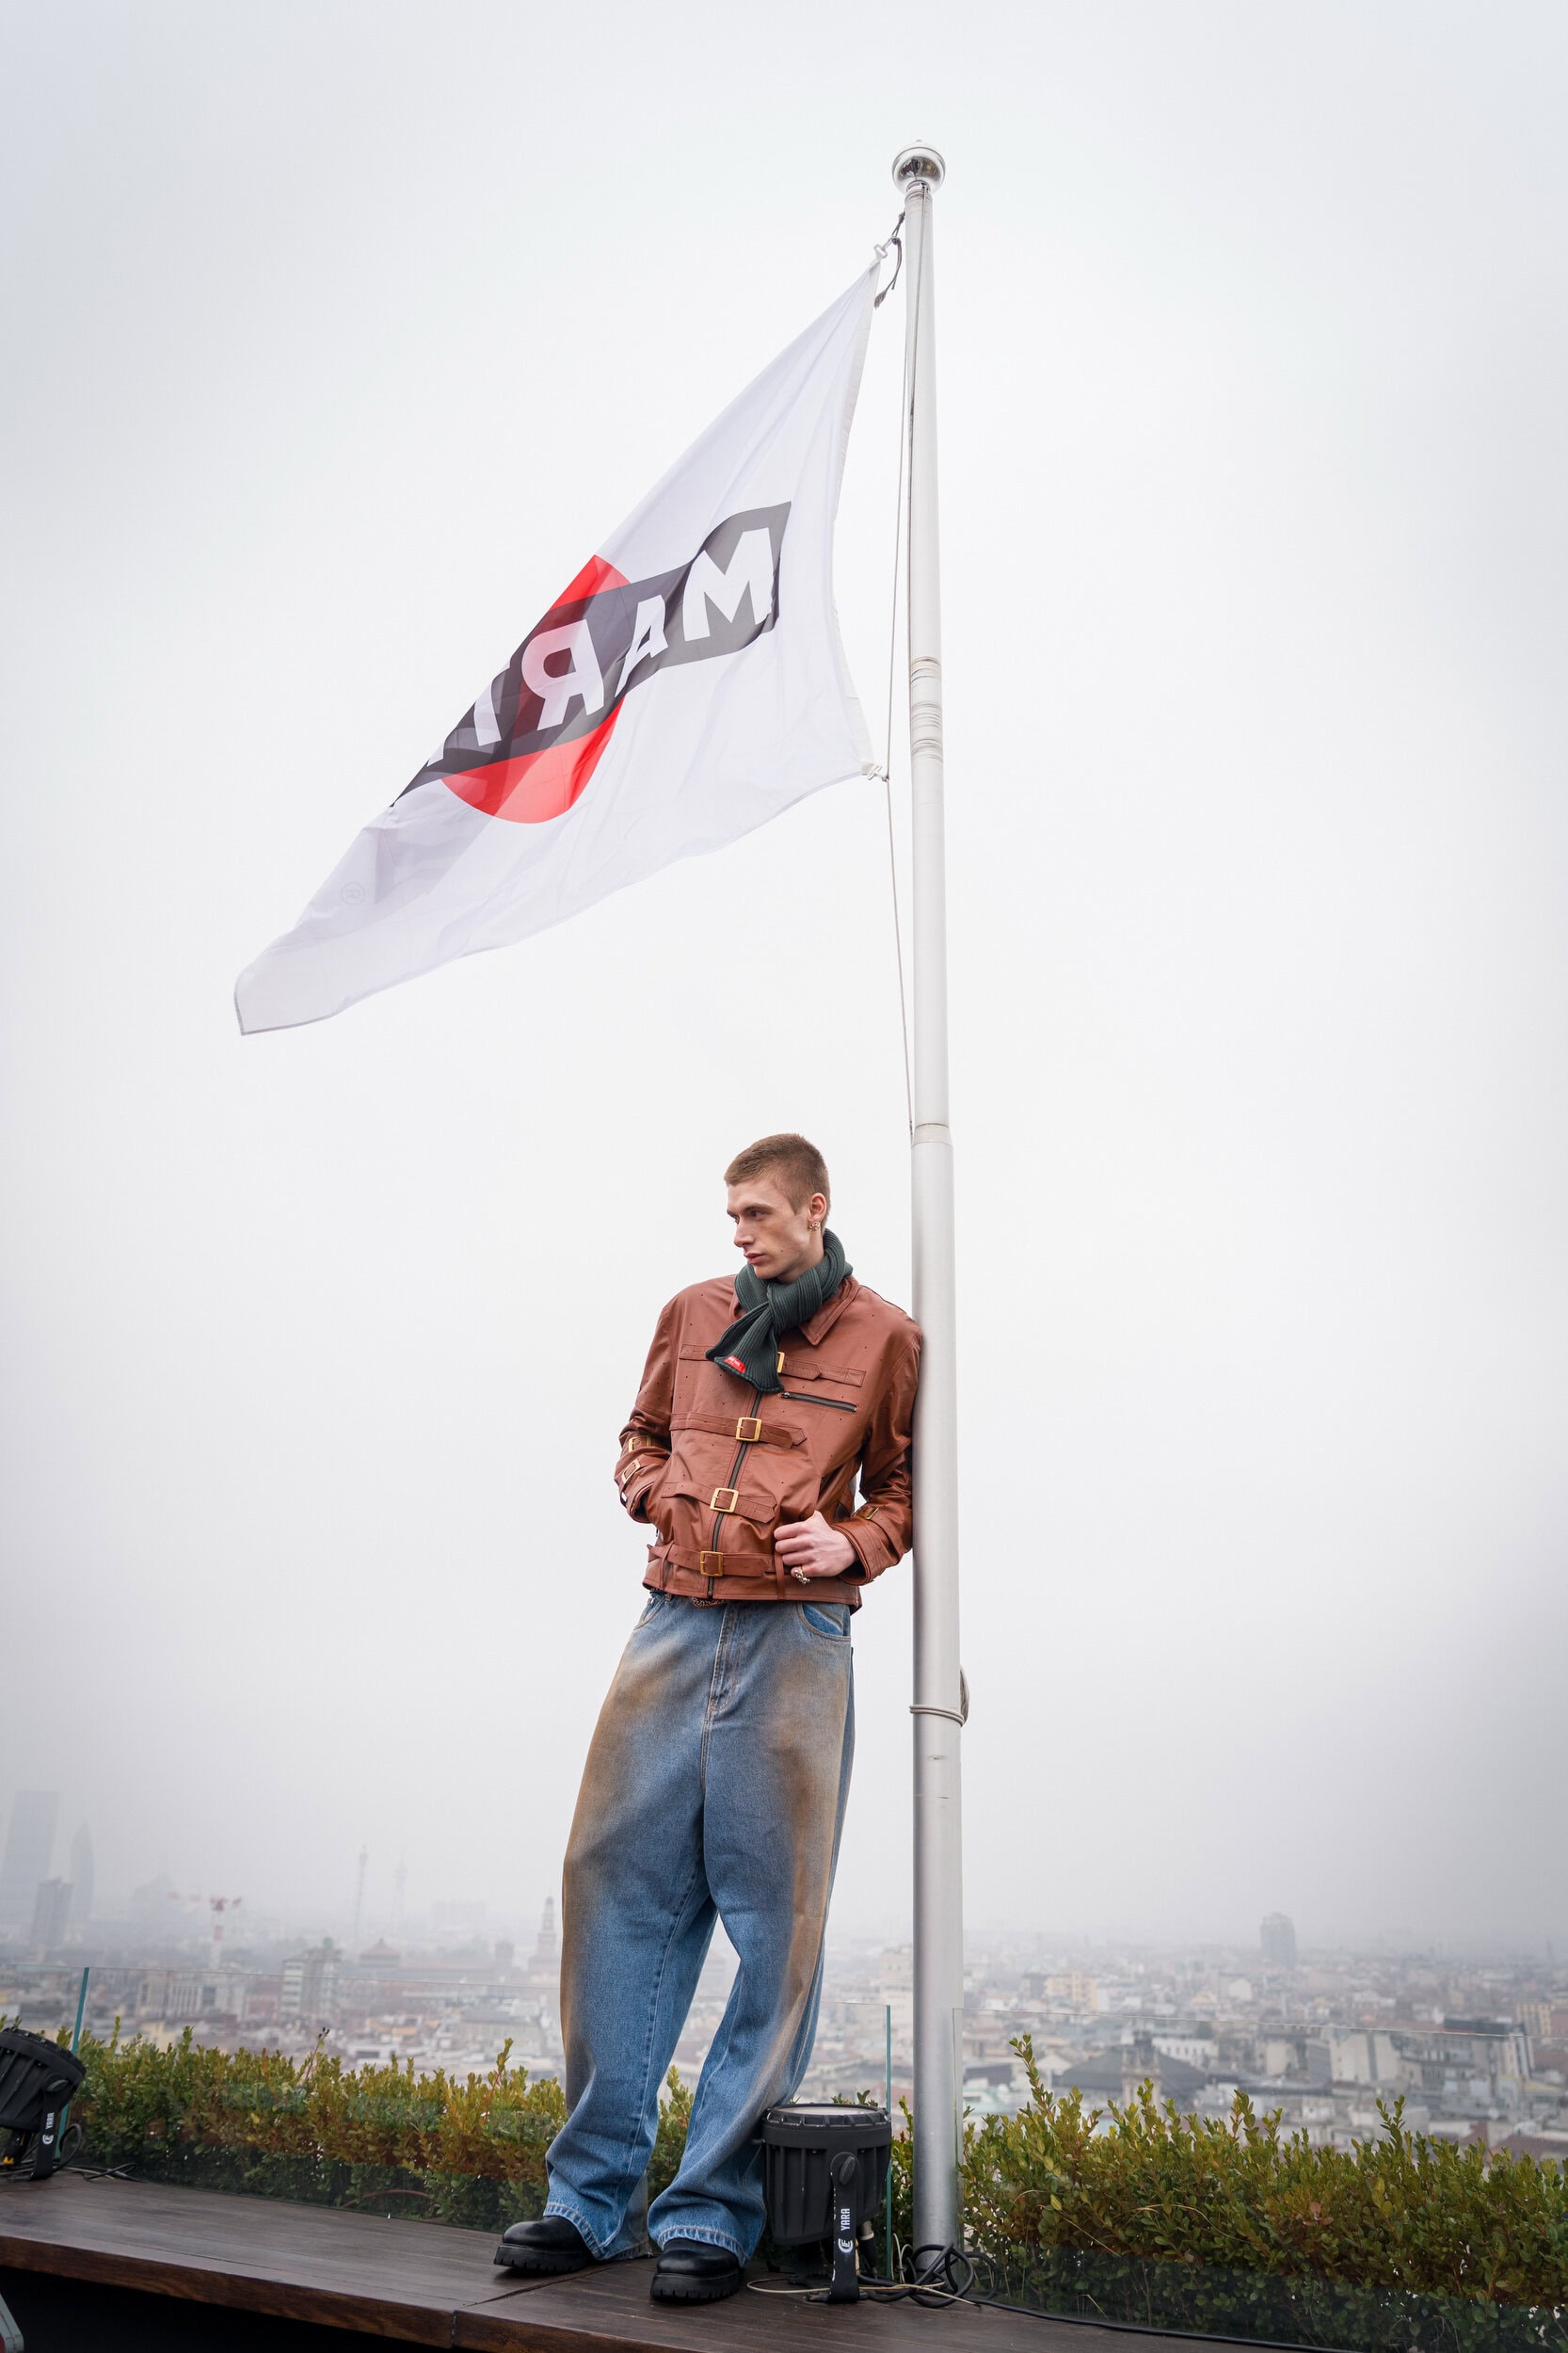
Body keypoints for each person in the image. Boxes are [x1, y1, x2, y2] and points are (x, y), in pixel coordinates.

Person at [495, 1133, 920, 2304]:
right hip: (671, 1620)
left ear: (815, 1208)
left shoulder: (886, 1336)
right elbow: (635, 1437)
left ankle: (711, 2218)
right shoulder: (689, 1313)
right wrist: (652, 1491)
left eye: (757, 1214)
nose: (737, 1233)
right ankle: (586, 2203)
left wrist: (854, 1541)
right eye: (729, 1215)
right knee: (609, 1882)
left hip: (798, 1639)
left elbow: (908, 1481)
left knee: (776, 1925)